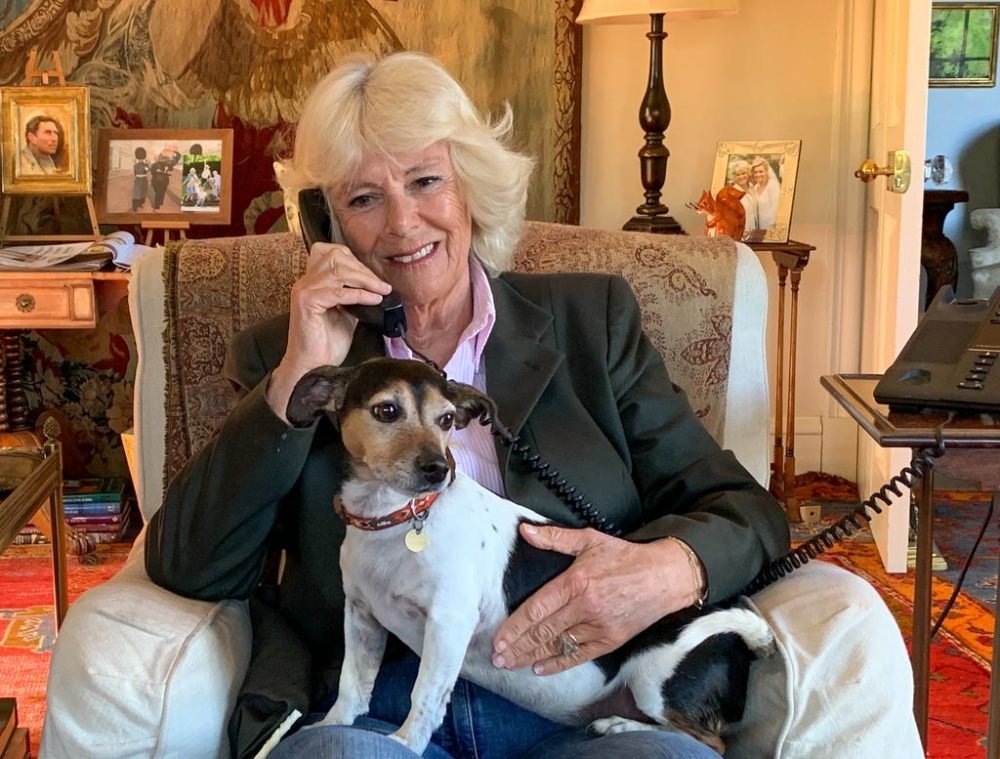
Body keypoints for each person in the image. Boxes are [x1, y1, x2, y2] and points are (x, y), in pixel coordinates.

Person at [144, 52, 922, 759]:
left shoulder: (592, 322)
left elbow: (743, 509)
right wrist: (296, 377)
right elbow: (190, 563)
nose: (403, 223)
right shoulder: (295, 358)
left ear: (469, 187)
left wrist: (667, 569)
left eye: (425, 181)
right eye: (363, 198)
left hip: (583, 707)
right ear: (328, 222)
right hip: (376, 713)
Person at [749, 155, 781, 231]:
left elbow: (775, 209)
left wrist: (771, 229)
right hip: (758, 227)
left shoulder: (772, 185)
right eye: (755, 172)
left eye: (761, 171)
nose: (758, 174)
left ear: (766, 171)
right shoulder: (755, 187)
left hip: (770, 226)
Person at [727, 157, 757, 237]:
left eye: (743, 173)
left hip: (754, 231)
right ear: (734, 176)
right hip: (742, 234)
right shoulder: (732, 193)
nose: (741, 177)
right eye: (738, 174)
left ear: (748, 173)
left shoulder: (752, 187)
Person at [132, 147, 150, 212]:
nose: (141, 160)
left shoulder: (142, 165)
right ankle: (135, 207)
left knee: (143, 192)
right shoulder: (137, 165)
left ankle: (140, 204)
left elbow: (148, 170)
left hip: (143, 179)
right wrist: (146, 164)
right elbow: (146, 170)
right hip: (139, 179)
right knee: (136, 193)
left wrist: (146, 164)